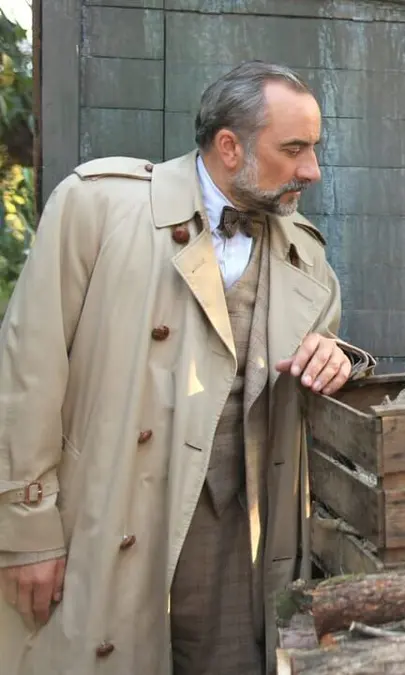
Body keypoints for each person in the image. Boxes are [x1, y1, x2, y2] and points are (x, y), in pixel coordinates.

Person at [0, 60, 374, 675]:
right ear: (229, 146)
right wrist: (25, 533)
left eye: (314, 149)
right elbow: (26, 373)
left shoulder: (305, 255)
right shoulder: (96, 207)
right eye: (294, 149)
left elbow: (320, 351)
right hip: (106, 524)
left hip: (237, 543)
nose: (312, 170)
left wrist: (340, 358)